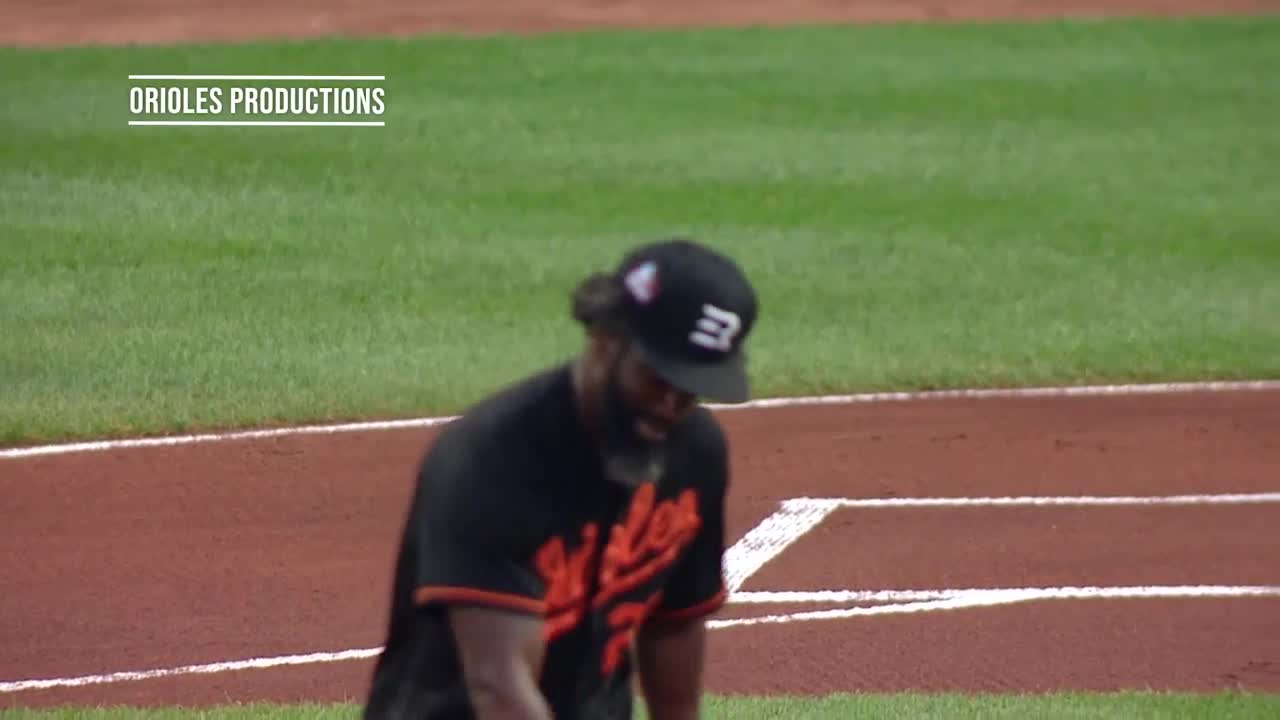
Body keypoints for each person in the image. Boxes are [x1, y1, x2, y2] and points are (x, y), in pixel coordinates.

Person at [362, 238, 760, 720]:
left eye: (691, 391)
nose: (670, 407)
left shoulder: (694, 454)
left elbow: (673, 624)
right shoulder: (489, 461)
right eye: (657, 379)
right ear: (605, 339)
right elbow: (498, 685)